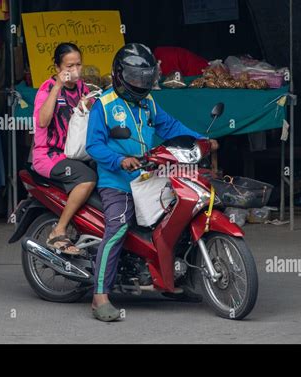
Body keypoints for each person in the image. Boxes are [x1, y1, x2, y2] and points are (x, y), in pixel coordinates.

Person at [86, 43, 219, 322]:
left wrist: (201, 140)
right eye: (135, 78)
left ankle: (173, 280)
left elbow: (171, 127)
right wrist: (119, 160)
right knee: (118, 226)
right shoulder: (104, 105)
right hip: (116, 181)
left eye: (145, 79)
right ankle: (100, 296)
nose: (140, 83)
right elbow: (94, 145)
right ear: (119, 76)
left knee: (177, 217)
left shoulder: (148, 103)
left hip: (148, 175)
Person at [32, 42, 97, 255]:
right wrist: (58, 86)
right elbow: (42, 121)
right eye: (69, 66)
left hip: (75, 153)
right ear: (58, 67)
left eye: (78, 65)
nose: (74, 71)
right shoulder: (48, 88)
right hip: (49, 155)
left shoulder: (82, 88)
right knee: (88, 177)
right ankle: (58, 230)